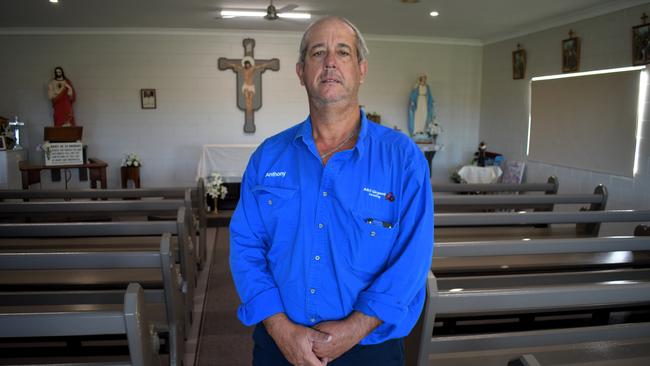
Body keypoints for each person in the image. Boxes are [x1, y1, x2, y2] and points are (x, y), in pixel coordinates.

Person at [230, 16, 434, 366]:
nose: (330, 63)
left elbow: (412, 260)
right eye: (318, 52)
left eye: (343, 52)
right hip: (280, 345)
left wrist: (355, 328)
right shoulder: (267, 156)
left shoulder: (403, 159)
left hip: (371, 348)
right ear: (300, 71)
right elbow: (245, 247)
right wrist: (280, 329)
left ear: (361, 69)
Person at [407, 73, 434, 138]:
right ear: (420, 78)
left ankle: (423, 130)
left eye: (425, 78)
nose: (424, 79)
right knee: (417, 115)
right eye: (423, 78)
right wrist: (412, 101)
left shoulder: (427, 86)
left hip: (425, 102)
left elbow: (429, 95)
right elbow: (413, 94)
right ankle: (416, 130)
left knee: (424, 115)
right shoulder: (416, 86)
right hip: (418, 101)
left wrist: (432, 102)